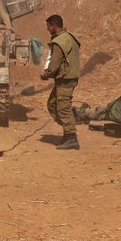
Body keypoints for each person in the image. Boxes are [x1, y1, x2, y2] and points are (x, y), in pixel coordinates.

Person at [40, 14, 81, 150]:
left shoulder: (59, 42)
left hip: (65, 79)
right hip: (68, 77)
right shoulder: (70, 36)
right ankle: (68, 131)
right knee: (52, 104)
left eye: (48, 26)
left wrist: (46, 75)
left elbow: (54, 64)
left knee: (63, 108)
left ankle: (71, 137)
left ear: (54, 26)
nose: (47, 29)